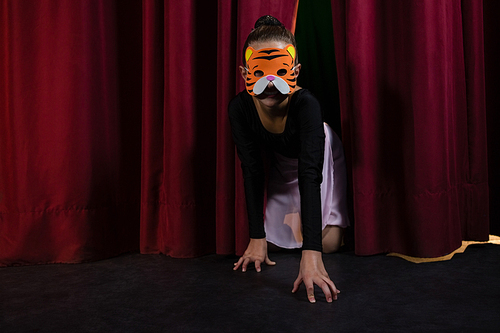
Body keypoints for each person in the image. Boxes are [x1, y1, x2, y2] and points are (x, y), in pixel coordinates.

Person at [228, 15, 350, 303]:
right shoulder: (240, 108)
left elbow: (311, 173)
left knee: (329, 243)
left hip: (319, 159)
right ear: (244, 72)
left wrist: (311, 255)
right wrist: (256, 237)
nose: (270, 84)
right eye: (259, 73)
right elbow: (252, 168)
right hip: (283, 166)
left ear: (295, 70)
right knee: (268, 244)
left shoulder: (307, 105)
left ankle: (318, 238)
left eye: (280, 71)